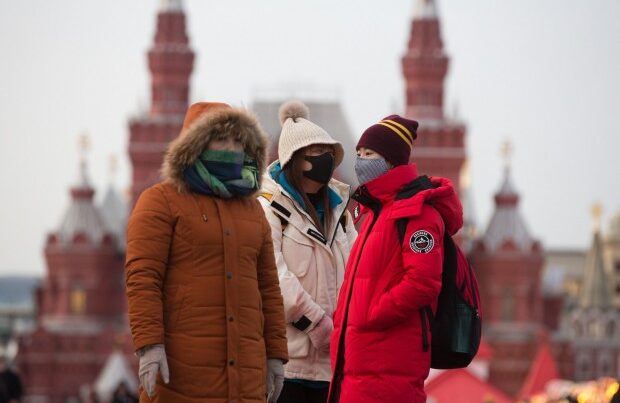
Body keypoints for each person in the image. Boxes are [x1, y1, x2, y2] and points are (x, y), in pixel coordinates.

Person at [125, 102, 288, 403]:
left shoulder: (252, 211)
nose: (231, 149)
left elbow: (268, 289)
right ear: (195, 145)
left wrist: (276, 354)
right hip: (180, 378)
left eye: (239, 141)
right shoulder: (160, 201)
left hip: (246, 382)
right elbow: (143, 278)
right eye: (222, 139)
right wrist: (150, 345)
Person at [328, 115, 463, 403]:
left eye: (370, 154)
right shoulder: (374, 212)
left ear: (391, 160)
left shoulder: (417, 214)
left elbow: (423, 282)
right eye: (359, 154)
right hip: (359, 361)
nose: (361, 161)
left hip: (388, 360)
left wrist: (371, 313)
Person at [258, 101, 357, 403]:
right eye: (317, 155)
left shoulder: (340, 212)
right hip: (288, 366)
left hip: (333, 365)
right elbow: (275, 278)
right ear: (295, 160)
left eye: (329, 155)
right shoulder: (269, 208)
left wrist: (347, 325)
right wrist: (316, 322)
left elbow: (357, 272)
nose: (325, 162)